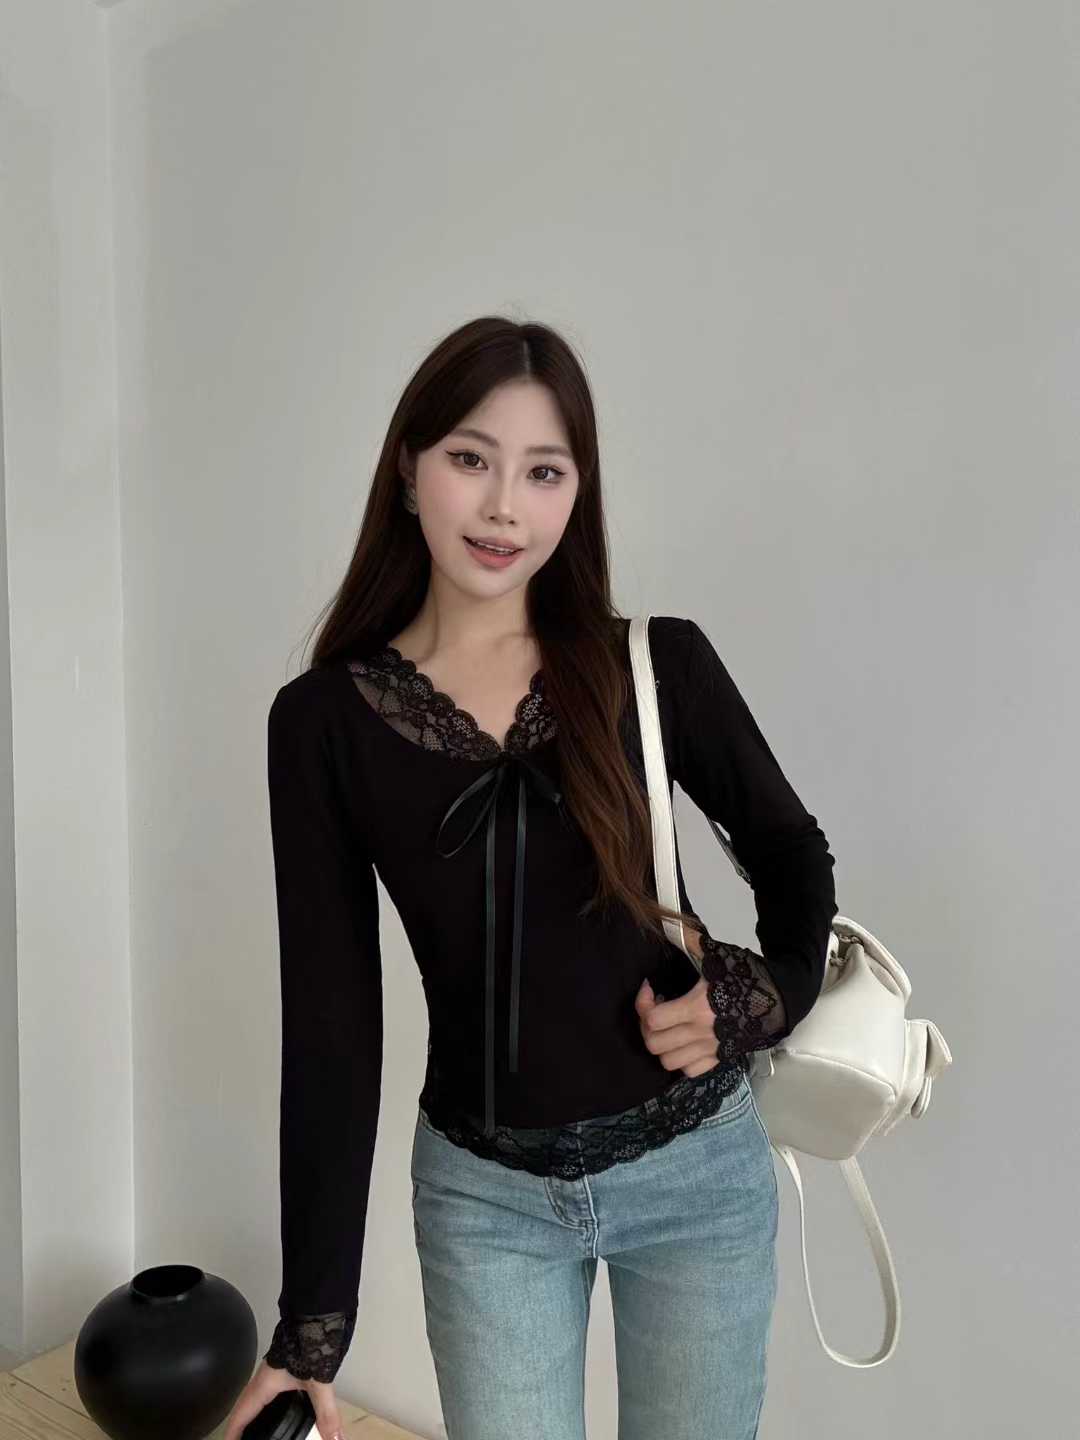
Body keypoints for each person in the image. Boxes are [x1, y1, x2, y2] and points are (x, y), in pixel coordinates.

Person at [224, 316, 837, 1440]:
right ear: (408, 468)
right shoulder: (322, 724)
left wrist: (764, 995)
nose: (505, 507)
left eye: (544, 472)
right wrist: (311, 1327)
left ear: (576, 493)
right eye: (472, 459)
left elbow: (794, 856)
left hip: (697, 1178)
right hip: (485, 1204)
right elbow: (331, 1024)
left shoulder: (655, 664)